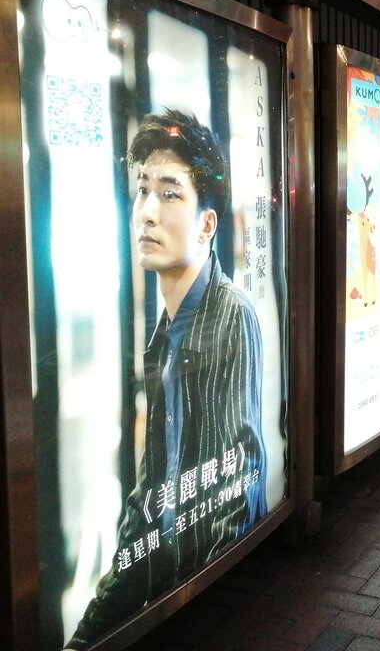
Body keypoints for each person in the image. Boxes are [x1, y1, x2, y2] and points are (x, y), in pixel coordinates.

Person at [69, 111, 269, 647]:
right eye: (142, 191)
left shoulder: (230, 315)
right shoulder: (167, 333)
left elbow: (235, 492)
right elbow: (150, 498)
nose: (147, 214)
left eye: (170, 194)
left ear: (207, 223)